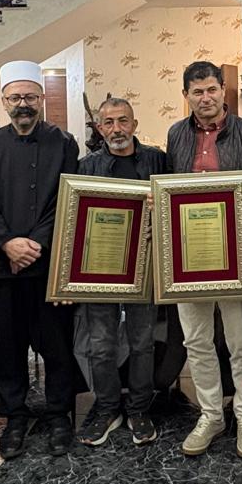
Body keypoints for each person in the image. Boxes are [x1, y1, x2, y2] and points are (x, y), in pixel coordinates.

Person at [0, 60, 80, 458]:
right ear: (3, 101)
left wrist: (34, 244)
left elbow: (66, 197)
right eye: (15, 97)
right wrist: (7, 244)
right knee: (7, 345)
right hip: (0, 267)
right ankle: (15, 415)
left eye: (30, 97)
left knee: (57, 344)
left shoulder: (64, 143)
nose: (23, 104)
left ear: (41, 98)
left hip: (47, 264)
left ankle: (59, 415)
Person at [164, 60, 242, 458]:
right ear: (186, 96)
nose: (205, 98)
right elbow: (171, 189)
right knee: (196, 340)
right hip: (190, 256)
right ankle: (211, 414)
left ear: (223, 90)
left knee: (241, 341)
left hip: (237, 253)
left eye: (211, 89)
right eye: (197, 92)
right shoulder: (176, 134)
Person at [75, 97, 168, 447]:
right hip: (100, 267)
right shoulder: (86, 167)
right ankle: (107, 409)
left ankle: (139, 410)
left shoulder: (157, 160)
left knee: (142, 343)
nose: (117, 129)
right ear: (100, 128)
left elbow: (172, 205)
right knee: (101, 345)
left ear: (135, 124)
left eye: (123, 121)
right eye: (109, 122)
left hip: (144, 267)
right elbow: (75, 219)